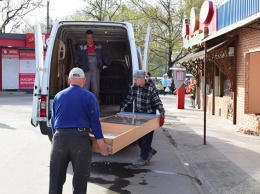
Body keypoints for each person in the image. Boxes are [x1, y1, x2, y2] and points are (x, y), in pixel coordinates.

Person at [49, 67, 111, 194]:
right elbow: (94, 122)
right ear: (84, 80)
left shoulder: (59, 96)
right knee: (80, 180)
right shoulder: (89, 97)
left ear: (69, 80)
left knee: (55, 180)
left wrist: (56, 140)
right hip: (80, 140)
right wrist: (101, 143)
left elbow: (54, 123)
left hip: (60, 138)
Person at [120, 70, 165, 167]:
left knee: (146, 138)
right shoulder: (134, 87)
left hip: (150, 115)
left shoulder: (150, 88)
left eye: (136, 79)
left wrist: (162, 113)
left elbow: (157, 101)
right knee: (137, 136)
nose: (134, 81)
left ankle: (143, 158)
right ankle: (149, 151)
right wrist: (122, 109)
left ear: (141, 79)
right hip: (139, 114)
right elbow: (129, 99)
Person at [75, 30, 110, 102]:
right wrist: (79, 63)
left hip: (96, 69)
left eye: (91, 38)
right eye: (88, 38)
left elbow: (104, 56)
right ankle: (83, 106)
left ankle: (96, 107)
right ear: (85, 38)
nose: (90, 40)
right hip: (85, 70)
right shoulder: (81, 47)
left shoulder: (99, 46)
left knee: (96, 89)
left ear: (93, 38)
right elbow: (77, 58)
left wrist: (107, 62)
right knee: (84, 89)